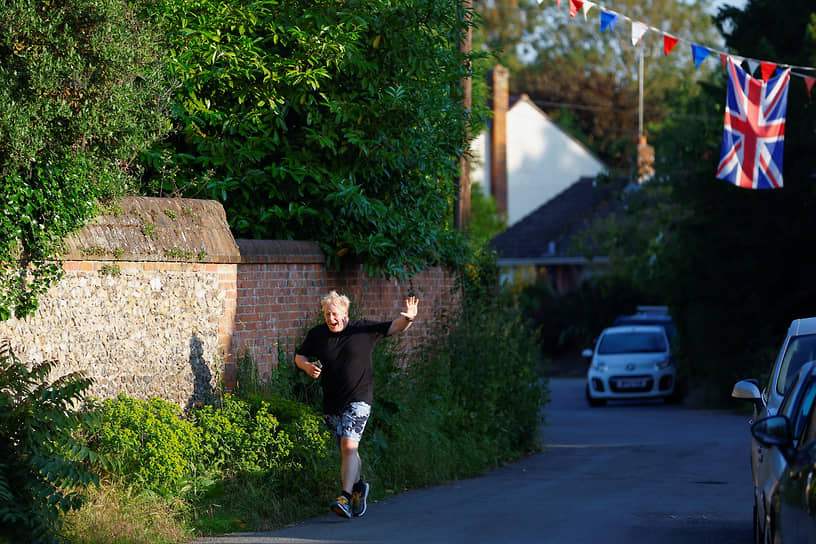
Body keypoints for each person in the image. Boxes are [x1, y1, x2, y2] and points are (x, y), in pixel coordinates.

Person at [295, 290, 419, 519]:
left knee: (349, 446)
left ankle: (344, 496)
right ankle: (359, 486)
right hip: (332, 402)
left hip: (360, 399)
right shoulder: (318, 334)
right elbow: (299, 356)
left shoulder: (362, 329)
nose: (331, 319)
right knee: (346, 449)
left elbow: (394, 326)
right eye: (326, 314)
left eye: (334, 314)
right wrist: (306, 366)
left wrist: (409, 318)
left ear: (345, 312)